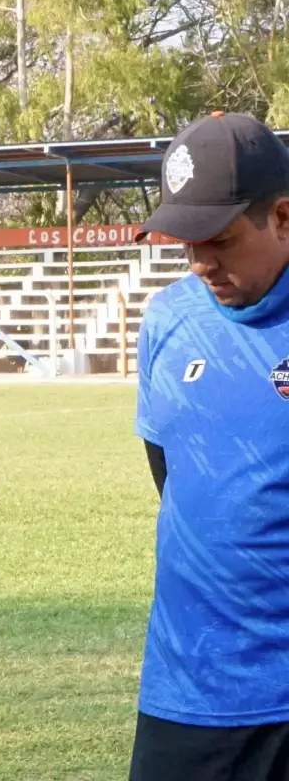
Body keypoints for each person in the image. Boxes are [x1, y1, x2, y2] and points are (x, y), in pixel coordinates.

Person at [131, 111, 289, 780]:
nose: (200, 264)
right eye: (186, 244)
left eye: (219, 241)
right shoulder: (168, 319)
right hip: (186, 691)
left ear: (282, 218)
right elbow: (170, 477)